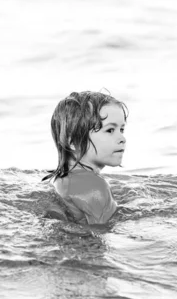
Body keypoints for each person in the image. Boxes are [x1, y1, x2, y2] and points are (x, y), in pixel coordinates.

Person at [43, 91, 128, 225]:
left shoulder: (58, 179)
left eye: (122, 130)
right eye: (110, 130)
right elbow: (99, 236)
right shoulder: (96, 188)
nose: (122, 139)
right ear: (73, 142)